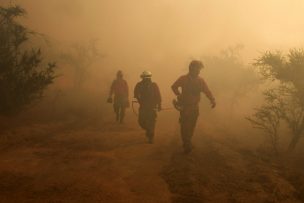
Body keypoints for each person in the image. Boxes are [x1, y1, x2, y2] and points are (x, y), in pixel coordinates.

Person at [171, 60, 216, 153]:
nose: (199, 71)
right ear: (191, 68)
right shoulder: (183, 78)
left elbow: (207, 91)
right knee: (184, 126)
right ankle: (187, 143)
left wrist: (212, 100)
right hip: (185, 108)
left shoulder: (200, 81)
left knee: (191, 126)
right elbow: (174, 86)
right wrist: (178, 95)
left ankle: (187, 141)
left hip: (195, 108)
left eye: (199, 69)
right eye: (198, 69)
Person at [134, 71, 162, 144]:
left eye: (148, 77)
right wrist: (139, 100)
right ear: (142, 78)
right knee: (141, 122)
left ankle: (151, 136)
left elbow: (158, 96)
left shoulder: (154, 85)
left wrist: (159, 105)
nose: (147, 79)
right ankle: (148, 130)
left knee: (151, 122)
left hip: (152, 107)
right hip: (143, 107)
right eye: (145, 77)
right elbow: (136, 94)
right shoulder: (139, 85)